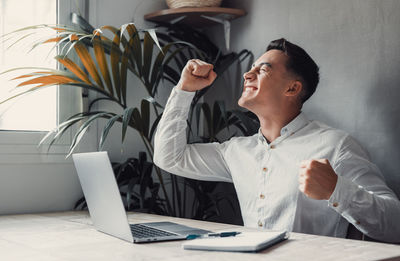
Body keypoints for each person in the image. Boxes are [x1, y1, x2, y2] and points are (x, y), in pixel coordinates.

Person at [153, 38, 400, 243]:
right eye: (251, 68)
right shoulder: (236, 151)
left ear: (292, 89)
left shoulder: (336, 146)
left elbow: (395, 224)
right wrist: (184, 91)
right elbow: (169, 157)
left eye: (262, 69)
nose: (247, 74)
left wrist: (337, 189)